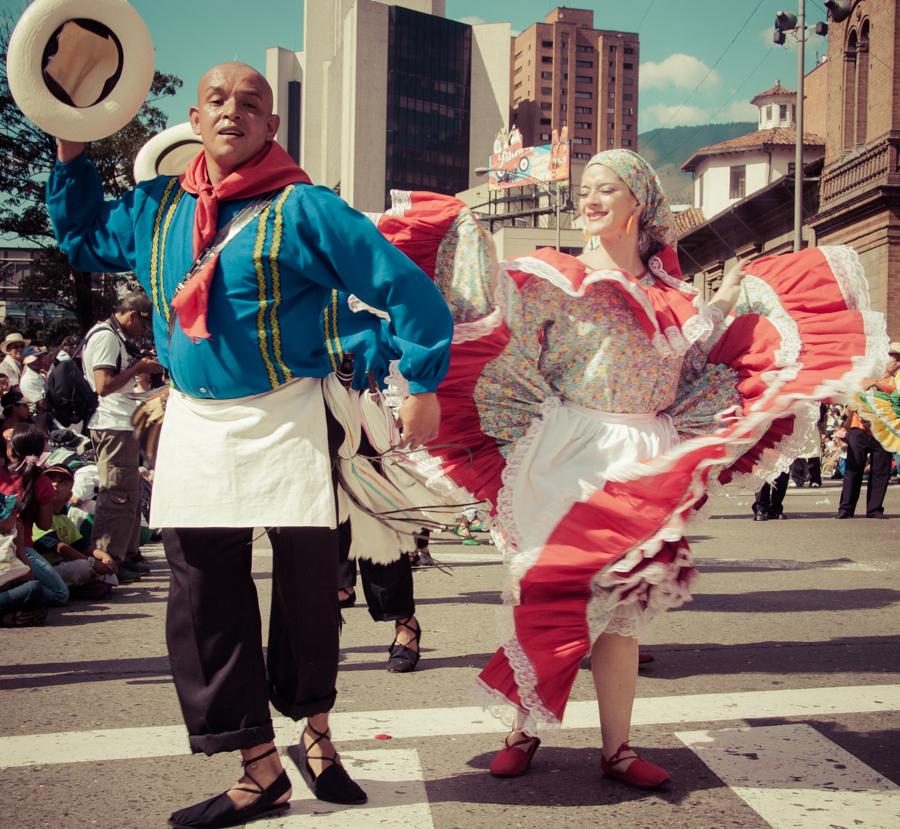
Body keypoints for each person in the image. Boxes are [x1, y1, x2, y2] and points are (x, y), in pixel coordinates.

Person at [371, 150, 886, 790]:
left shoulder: (677, 298)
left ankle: (617, 750)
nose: (588, 200)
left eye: (604, 189)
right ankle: (523, 728)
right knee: (545, 591)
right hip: (563, 453)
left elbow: (695, 368)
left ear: (638, 202)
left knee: (619, 616)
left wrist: (728, 303)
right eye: (584, 189)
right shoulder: (548, 277)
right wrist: (458, 243)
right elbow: (495, 328)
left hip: (645, 458)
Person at [46, 61, 452, 828]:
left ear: (271, 126)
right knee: (204, 601)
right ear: (194, 119)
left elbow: (402, 284)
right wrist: (70, 143)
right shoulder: (156, 207)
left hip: (288, 415)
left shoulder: (306, 209)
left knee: (308, 593)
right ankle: (257, 767)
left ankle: (318, 736)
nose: (234, 110)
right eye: (219, 99)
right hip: (196, 424)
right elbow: (81, 234)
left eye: (252, 103)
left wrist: (423, 383)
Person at [81, 293, 160, 584]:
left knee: (129, 494)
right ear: (134, 315)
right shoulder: (106, 337)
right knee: (116, 493)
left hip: (122, 424)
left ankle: (124, 555)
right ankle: (108, 559)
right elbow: (103, 386)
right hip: (113, 424)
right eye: (144, 325)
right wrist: (138, 368)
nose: (143, 332)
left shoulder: (113, 336)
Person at [0, 424, 69, 608]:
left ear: (10, 449)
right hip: (23, 547)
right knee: (60, 594)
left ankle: (14, 591)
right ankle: (17, 592)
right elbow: (45, 524)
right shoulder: (42, 482)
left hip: (7, 545)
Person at [31, 463, 117, 599]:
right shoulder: (37, 515)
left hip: (64, 567)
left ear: (69, 494)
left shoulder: (64, 519)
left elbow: (84, 546)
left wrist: (104, 556)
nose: (54, 484)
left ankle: (82, 588)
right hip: (45, 569)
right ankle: (77, 589)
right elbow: (60, 548)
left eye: (61, 482)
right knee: (84, 566)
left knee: (110, 575)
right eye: (50, 480)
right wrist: (93, 562)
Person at [838, 342, 900, 518]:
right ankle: (845, 508)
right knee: (853, 468)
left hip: (884, 431)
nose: (897, 364)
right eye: (894, 360)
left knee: (881, 471)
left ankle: (874, 509)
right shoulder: (868, 375)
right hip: (860, 428)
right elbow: (856, 395)